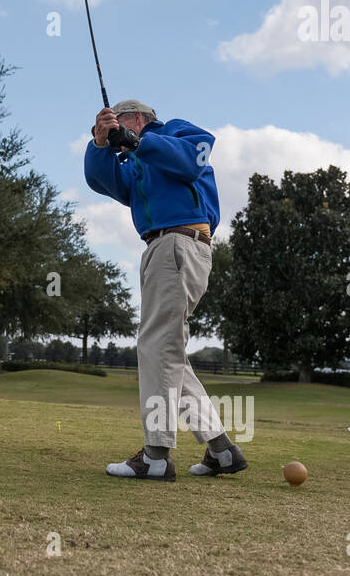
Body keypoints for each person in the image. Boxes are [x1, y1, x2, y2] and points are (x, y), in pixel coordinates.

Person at [85, 99, 245, 481]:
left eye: (119, 123)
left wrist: (135, 140)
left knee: (157, 346)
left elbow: (194, 158)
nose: (116, 130)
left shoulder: (172, 132)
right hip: (161, 248)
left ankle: (156, 455)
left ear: (137, 119)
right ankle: (221, 450)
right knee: (167, 350)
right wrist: (99, 144)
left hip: (179, 242)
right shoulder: (135, 163)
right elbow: (101, 181)